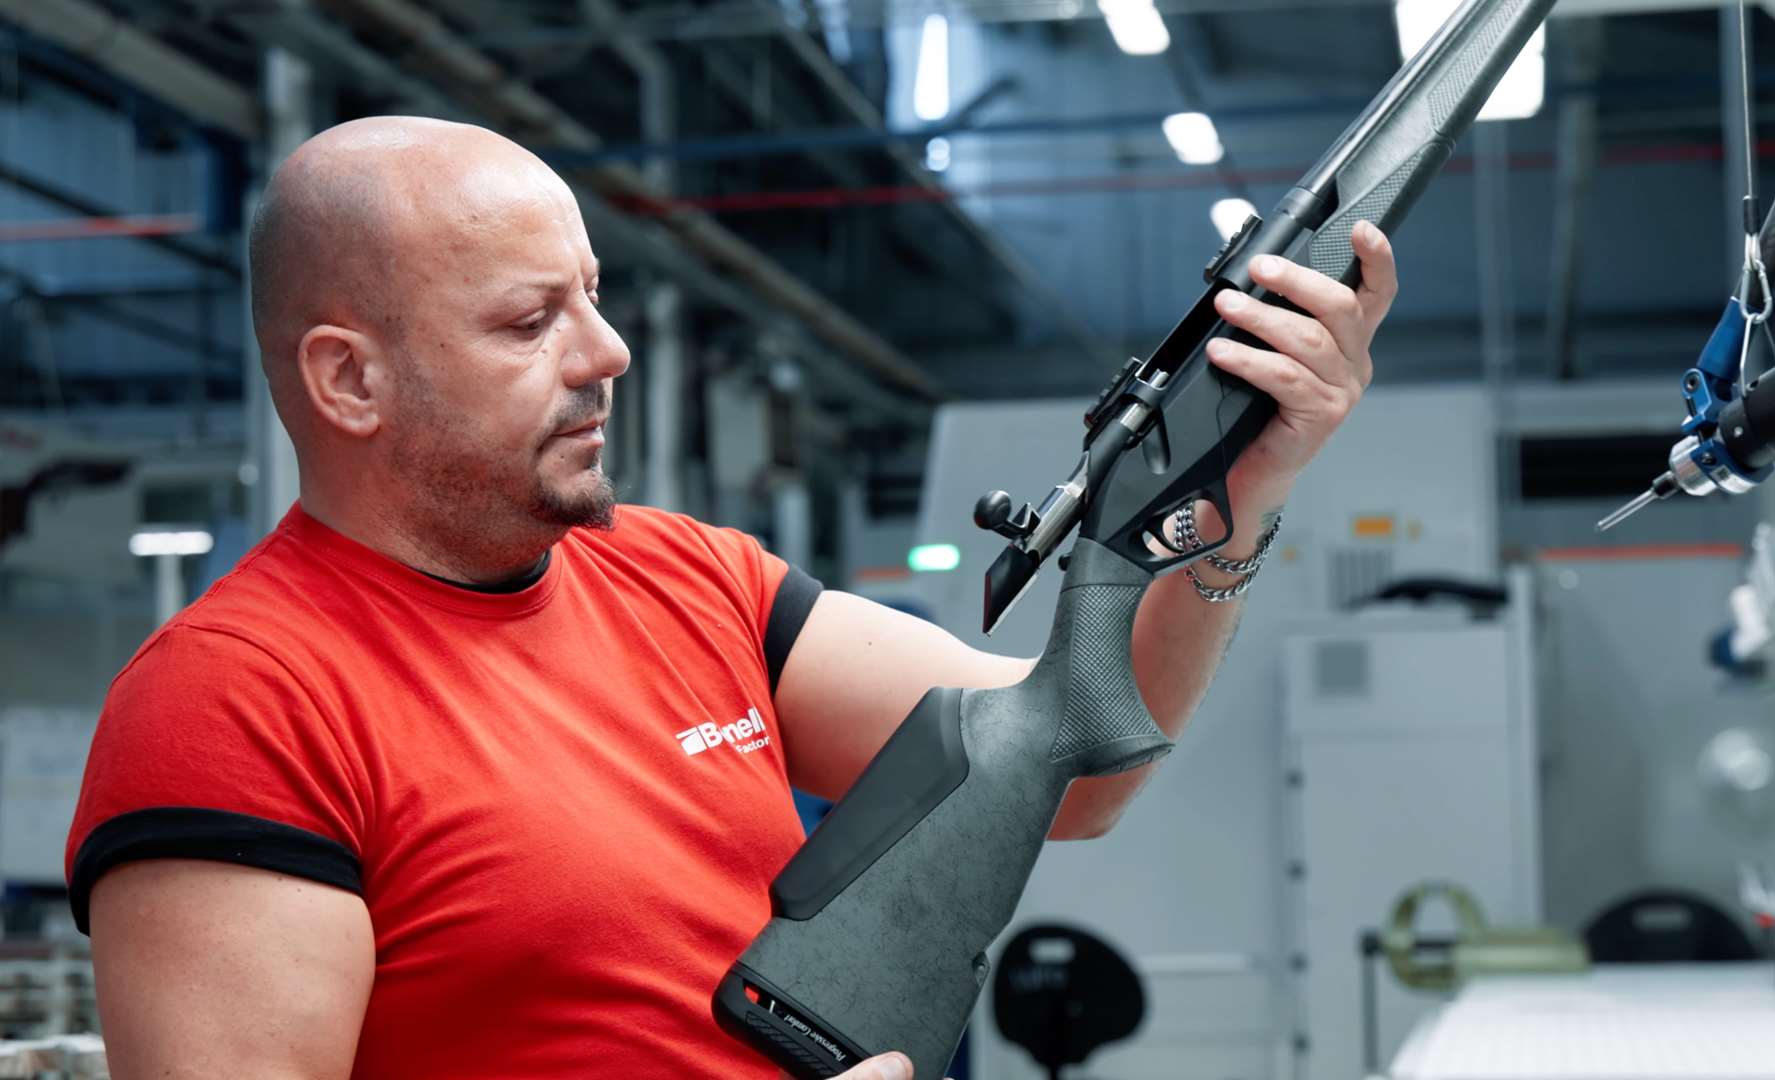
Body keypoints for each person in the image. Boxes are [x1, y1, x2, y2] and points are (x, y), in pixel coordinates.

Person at [64, 116, 1396, 1079]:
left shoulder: (688, 577)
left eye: (592, 297)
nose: (609, 352)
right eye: (529, 324)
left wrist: (1238, 489)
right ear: (349, 381)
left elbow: (1079, 769)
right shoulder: (235, 702)